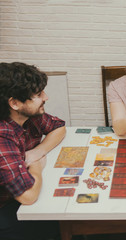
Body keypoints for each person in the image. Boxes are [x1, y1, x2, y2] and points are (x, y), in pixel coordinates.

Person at [0, 62, 66, 239]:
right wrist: (36, 165)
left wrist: (39, 150)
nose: (46, 97)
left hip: (20, 194)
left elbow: (59, 127)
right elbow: (28, 196)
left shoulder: (28, 115)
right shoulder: (3, 136)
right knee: (59, 222)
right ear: (14, 103)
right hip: (6, 206)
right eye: (38, 94)